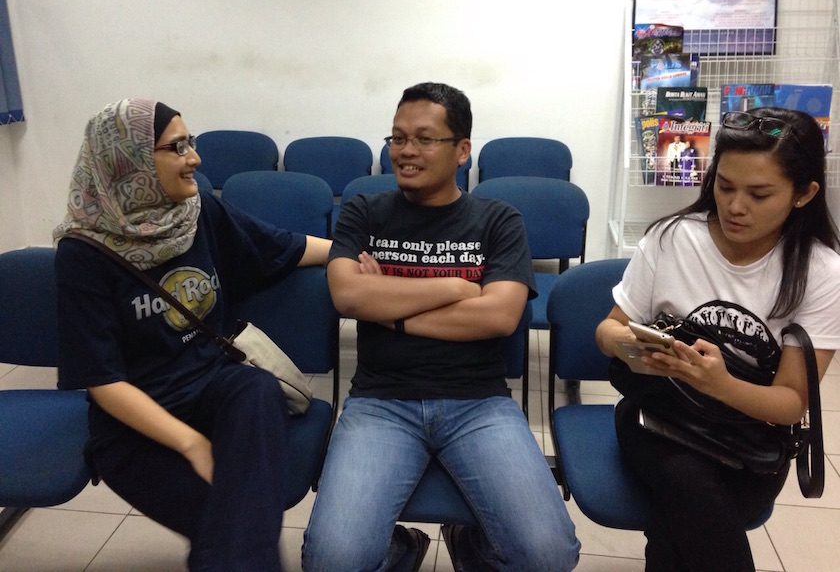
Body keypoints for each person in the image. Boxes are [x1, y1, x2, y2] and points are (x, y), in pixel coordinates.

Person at [302, 82, 580, 572]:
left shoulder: (498, 219)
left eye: (424, 139)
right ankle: (402, 549)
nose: (405, 151)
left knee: (550, 557)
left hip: (479, 403)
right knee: (331, 562)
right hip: (380, 403)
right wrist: (453, 287)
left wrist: (386, 303)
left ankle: (470, 545)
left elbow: (499, 316)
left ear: (462, 150)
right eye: (397, 138)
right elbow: (347, 295)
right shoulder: (364, 212)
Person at [53, 98, 331, 571]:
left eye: (192, 142)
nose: (195, 158)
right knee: (235, 525)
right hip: (138, 423)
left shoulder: (198, 215)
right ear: (130, 161)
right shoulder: (84, 254)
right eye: (178, 146)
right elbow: (103, 382)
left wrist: (374, 255)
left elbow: (286, 247)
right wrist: (190, 443)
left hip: (217, 390)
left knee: (256, 388)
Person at [595, 107, 840, 571]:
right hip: (657, 418)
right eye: (724, 186)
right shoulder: (672, 239)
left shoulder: (822, 272)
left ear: (804, 194)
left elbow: (791, 403)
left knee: (679, 521)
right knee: (685, 486)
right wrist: (636, 348)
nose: (735, 206)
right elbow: (608, 328)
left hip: (749, 441)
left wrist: (718, 383)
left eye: (759, 193)